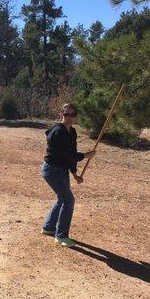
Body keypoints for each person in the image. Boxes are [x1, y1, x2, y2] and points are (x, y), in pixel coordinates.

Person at [41, 103, 96, 247]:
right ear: (61, 115)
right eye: (67, 115)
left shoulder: (72, 132)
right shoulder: (57, 132)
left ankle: (48, 228)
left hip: (62, 170)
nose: (69, 118)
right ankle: (61, 236)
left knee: (62, 198)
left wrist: (74, 173)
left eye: (72, 115)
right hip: (52, 170)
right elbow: (67, 155)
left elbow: (71, 154)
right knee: (68, 200)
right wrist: (85, 155)